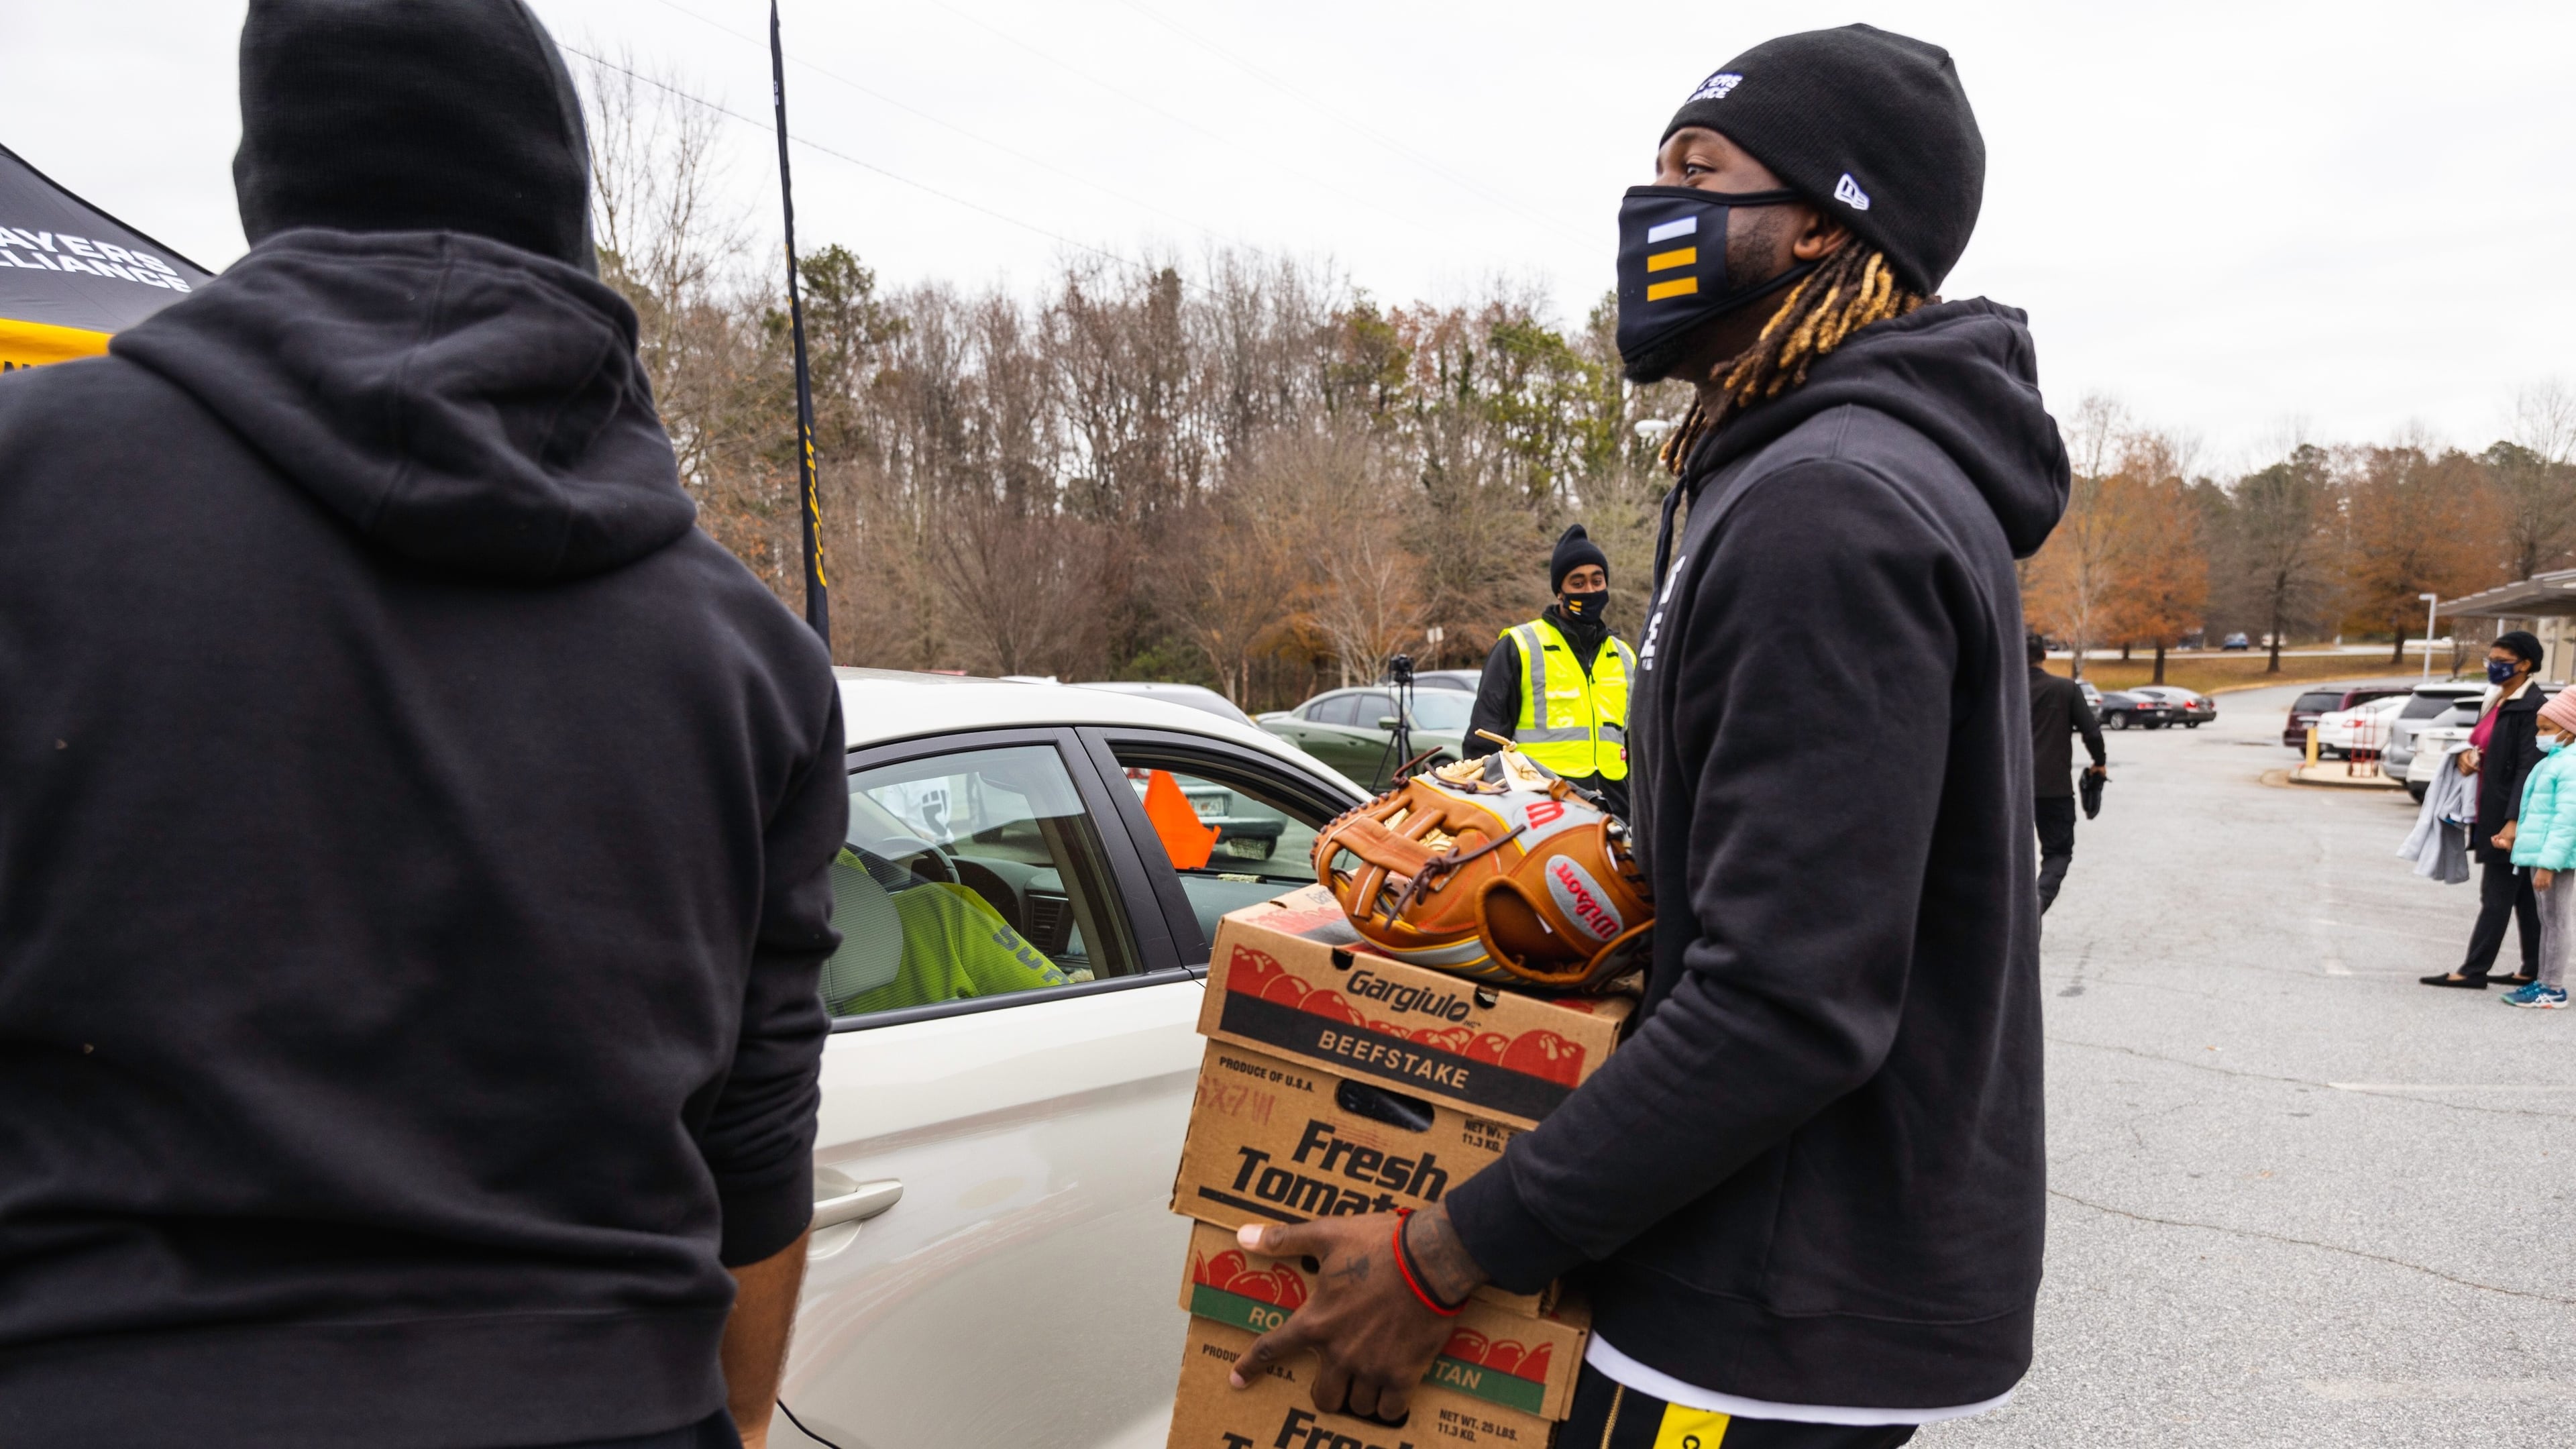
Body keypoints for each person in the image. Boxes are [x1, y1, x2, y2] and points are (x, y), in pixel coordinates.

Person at [0, 4, 846, 1447]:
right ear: (563, 204)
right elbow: (758, 1144)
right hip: (604, 1407)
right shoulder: (749, 652)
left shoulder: (32, 492)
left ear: (267, 186)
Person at [1224, 26, 2063, 1446]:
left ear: (1821, 224)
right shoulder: (1789, 468)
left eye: (1699, 169)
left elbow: (1789, 1002)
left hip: (1766, 1309)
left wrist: (1442, 1257)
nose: (1653, 206)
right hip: (1768, 1265)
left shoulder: (1828, 507)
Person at [1464, 524, 1635, 818]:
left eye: (1597, 581)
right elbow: (1484, 747)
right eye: (1578, 583)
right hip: (1542, 808)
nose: (1590, 590)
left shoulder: (1624, 656)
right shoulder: (1519, 647)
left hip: (1616, 810)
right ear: (1560, 591)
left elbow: (1638, 747)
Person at [2424, 631, 2548, 990]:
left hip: (2508, 817)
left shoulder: (2532, 708)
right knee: (2523, 896)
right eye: (2490, 660)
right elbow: (2485, 745)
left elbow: (2527, 768)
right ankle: (2532, 968)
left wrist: (2513, 822)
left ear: (2525, 664)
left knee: (2496, 894)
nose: (2494, 667)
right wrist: (2467, 755)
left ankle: (2473, 970)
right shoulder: (2497, 699)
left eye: (2502, 661)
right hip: (2488, 807)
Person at [2029, 637, 2108, 912]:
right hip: (2054, 788)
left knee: (2004, 855)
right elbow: (2092, 733)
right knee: (2058, 852)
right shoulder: (2065, 689)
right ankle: (2037, 903)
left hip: (2009, 789)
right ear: (2045, 655)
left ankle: (2012, 916)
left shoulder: (2003, 690)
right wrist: (2099, 763)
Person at [2507, 691, 2576, 1008]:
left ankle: (2553, 988)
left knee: (2556, 921)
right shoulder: (2554, 762)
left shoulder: (2570, 765)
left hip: (2556, 859)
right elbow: (2537, 813)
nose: (2540, 735)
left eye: (2547, 729)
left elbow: (2567, 821)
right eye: (2539, 728)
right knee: (2547, 919)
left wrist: (2548, 864)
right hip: (2544, 854)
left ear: (2570, 730)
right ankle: (2544, 981)